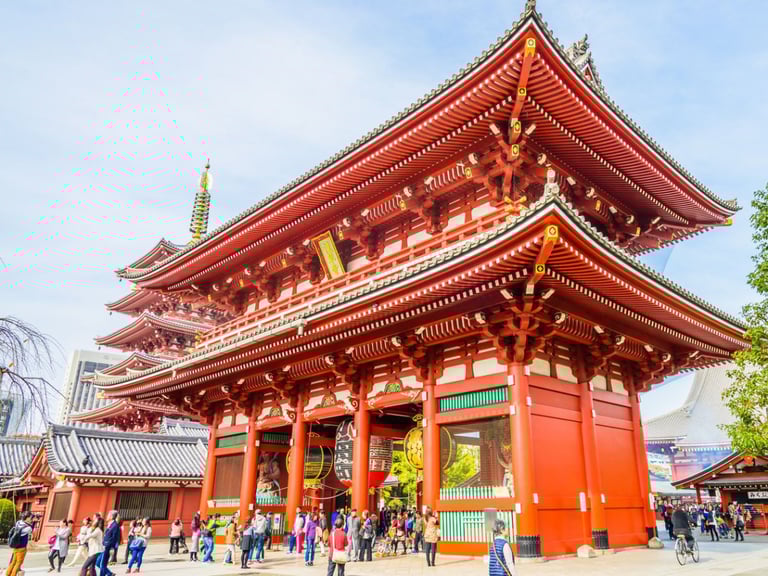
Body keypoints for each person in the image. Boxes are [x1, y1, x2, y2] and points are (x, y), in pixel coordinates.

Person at [7, 511, 34, 576]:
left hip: (16, 547)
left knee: (13, 562)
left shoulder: (18, 522)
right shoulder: (28, 528)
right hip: (22, 548)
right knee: (18, 563)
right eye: (30, 517)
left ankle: (7, 574)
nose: (31, 518)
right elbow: (31, 529)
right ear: (27, 518)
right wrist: (33, 523)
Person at [99, 511, 120, 576]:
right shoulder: (110, 524)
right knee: (99, 563)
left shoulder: (115, 525)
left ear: (111, 517)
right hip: (104, 546)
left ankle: (109, 574)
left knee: (102, 564)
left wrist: (107, 545)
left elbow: (114, 538)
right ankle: (109, 573)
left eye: (108, 515)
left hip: (107, 547)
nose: (107, 517)